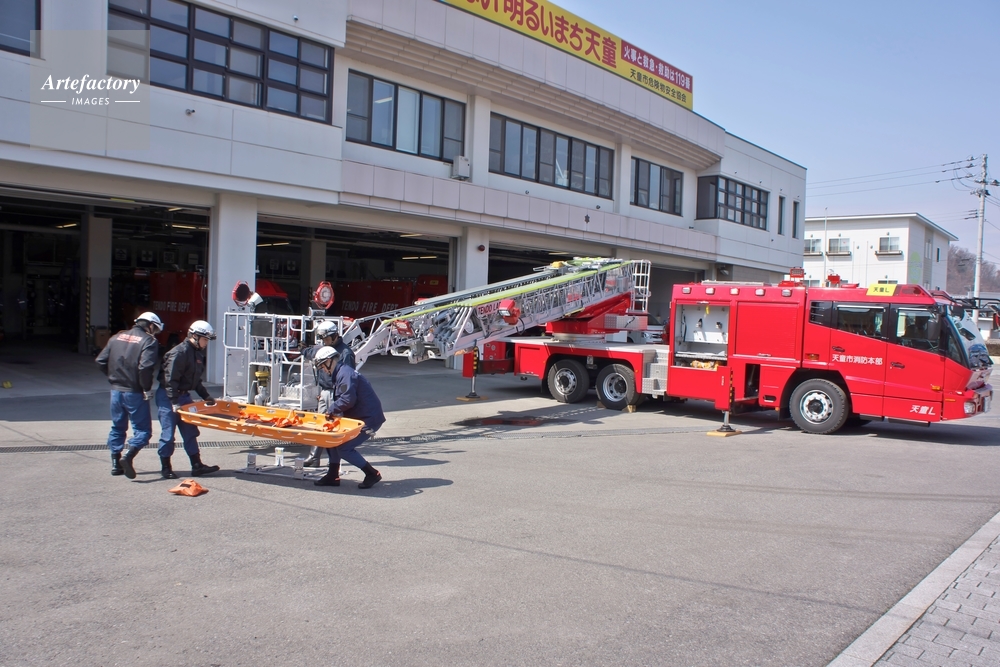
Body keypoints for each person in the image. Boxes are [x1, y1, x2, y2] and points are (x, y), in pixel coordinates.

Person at [96, 312, 162, 479]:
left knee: (117, 427)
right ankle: (128, 456)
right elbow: (145, 368)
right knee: (143, 430)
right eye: (155, 329)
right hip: (134, 392)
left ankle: (115, 464)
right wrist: (146, 388)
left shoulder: (116, 337)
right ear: (151, 325)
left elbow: (100, 361)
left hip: (116, 391)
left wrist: (114, 377)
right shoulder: (149, 341)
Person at [312, 345, 385, 489]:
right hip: (359, 417)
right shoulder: (341, 373)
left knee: (344, 448)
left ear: (330, 361)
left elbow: (347, 400)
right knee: (332, 441)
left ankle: (372, 473)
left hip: (368, 419)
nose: (323, 370)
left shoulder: (345, 374)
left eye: (323, 366)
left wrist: (331, 410)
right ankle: (333, 475)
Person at [155, 320, 220, 479]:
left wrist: (206, 396)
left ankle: (197, 465)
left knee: (190, 431)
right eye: (205, 339)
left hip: (184, 396)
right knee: (168, 434)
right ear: (194, 336)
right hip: (169, 396)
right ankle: (166, 467)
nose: (206, 343)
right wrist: (174, 402)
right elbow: (170, 380)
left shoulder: (197, 354)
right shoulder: (179, 353)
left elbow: (195, 381)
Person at [300, 319, 355, 467]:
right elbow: (313, 353)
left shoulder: (345, 353)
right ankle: (314, 457)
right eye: (322, 339)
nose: (324, 341)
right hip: (325, 391)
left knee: (334, 426)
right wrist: (303, 349)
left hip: (335, 393)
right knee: (320, 424)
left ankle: (335, 462)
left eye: (326, 338)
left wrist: (340, 397)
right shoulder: (326, 348)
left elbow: (348, 377)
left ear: (335, 335)